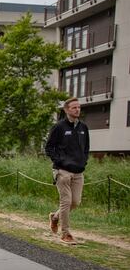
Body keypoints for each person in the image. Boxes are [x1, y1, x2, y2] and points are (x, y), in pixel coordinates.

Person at [45, 97, 89, 245]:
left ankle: (55, 217)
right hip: (62, 171)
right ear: (66, 110)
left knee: (75, 202)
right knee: (66, 201)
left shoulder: (83, 128)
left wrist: (84, 161)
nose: (77, 110)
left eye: (79, 107)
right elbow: (48, 148)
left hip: (78, 171)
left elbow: (86, 148)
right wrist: (59, 162)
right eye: (74, 107)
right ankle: (66, 234)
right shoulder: (59, 127)